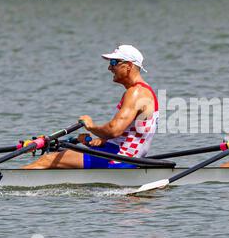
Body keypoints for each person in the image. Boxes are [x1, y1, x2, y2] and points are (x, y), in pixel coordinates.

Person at [23, 44, 159, 169]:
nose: (110, 68)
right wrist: (100, 140)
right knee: (63, 156)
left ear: (128, 65)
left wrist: (90, 126)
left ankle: (5, 183)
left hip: (119, 159)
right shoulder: (142, 91)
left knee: (47, 160)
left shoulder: (136, 93)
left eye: (113, 63)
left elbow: (114, 130)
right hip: (121, 154)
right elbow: (131, 132)